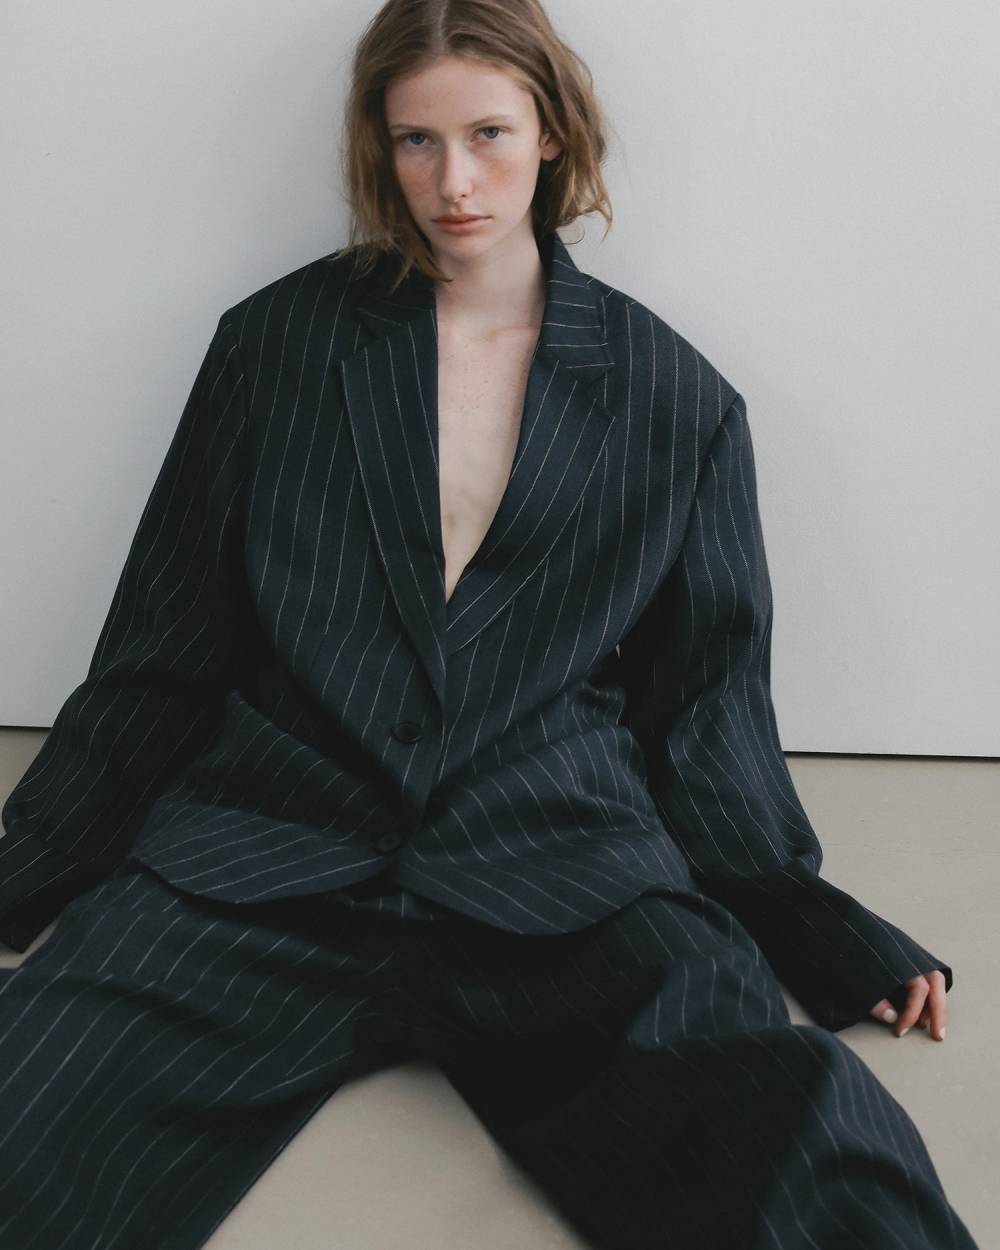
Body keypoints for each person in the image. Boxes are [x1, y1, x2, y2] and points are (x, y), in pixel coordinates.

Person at [0, 1, 980, 1247]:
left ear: (553, 133)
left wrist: (810, 920)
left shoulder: (675, 396)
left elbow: (706, 698)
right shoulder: (275, 344)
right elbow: (165, 643)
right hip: (265, 854)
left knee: (805, 1147)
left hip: (554, 866)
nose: (452, 182)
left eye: (488, 134)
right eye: (416, 140)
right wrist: (30, 862)